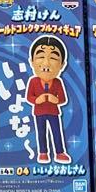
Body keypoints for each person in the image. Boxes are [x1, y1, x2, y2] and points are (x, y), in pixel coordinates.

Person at [25, 35, 71, 165]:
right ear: (32, 61)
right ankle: (43, 152)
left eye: (53, 58)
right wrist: (36, 100)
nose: (46, 63)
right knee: (41, 132)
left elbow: (63, 99)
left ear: (62, 65)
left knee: (56, 132)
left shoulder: (57, 82)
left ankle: (60, 152)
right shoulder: (33, 81)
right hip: (39, 112)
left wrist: (55, 100)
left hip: (53, 112)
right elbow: (29, 97)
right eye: (40, 57)